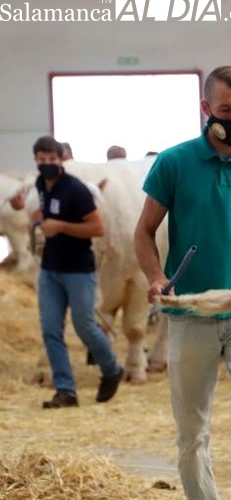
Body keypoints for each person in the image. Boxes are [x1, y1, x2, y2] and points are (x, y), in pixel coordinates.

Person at [134, 65, 231, 500]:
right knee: (192, 428)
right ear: (206, 108)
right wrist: (155, 276)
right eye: (227, 108)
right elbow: (143, 231)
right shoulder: (174, 163)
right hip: (190, 312)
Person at [10, 135, 124, 409]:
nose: (47, 164)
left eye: (52, 159)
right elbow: (46, 217)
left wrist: (60, 227)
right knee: (50, 329)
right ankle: (65, 390)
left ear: (62, 160)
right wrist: (31, 215)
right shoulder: (40, 184)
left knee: (84, 326)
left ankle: (111, 369)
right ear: (36, 160)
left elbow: (97, 228)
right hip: (50, 269)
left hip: (78, 270)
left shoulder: (76, 190)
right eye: (42, 159)